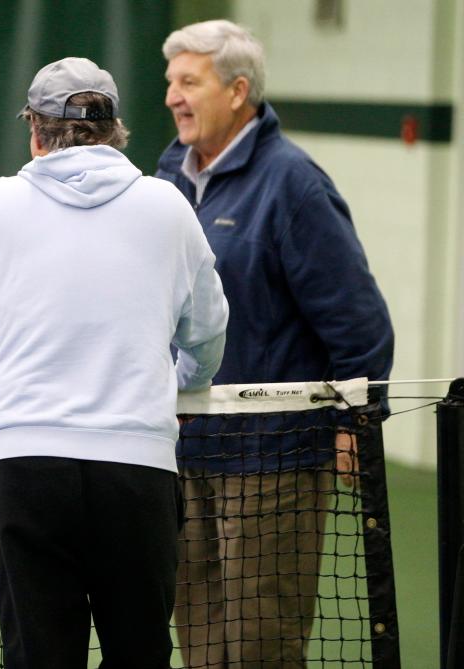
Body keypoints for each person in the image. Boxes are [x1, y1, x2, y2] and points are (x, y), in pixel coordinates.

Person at [0, 57, 229, 669]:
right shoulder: (169, 208)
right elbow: (207, 331)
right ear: (114, 129)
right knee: (139, 656)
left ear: (35, 132)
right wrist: (182, 392)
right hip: (138, 477)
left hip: (28, 474)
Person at [154, 20, 395, 669]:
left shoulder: (294, 184)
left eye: (189, 81)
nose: (173, 95)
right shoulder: (168, 173)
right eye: (170, 81)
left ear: (238, 91)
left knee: (260, 642)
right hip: (184, 449)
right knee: (201, 638)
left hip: (274, 455)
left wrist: (355, 418)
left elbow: (359, 320)